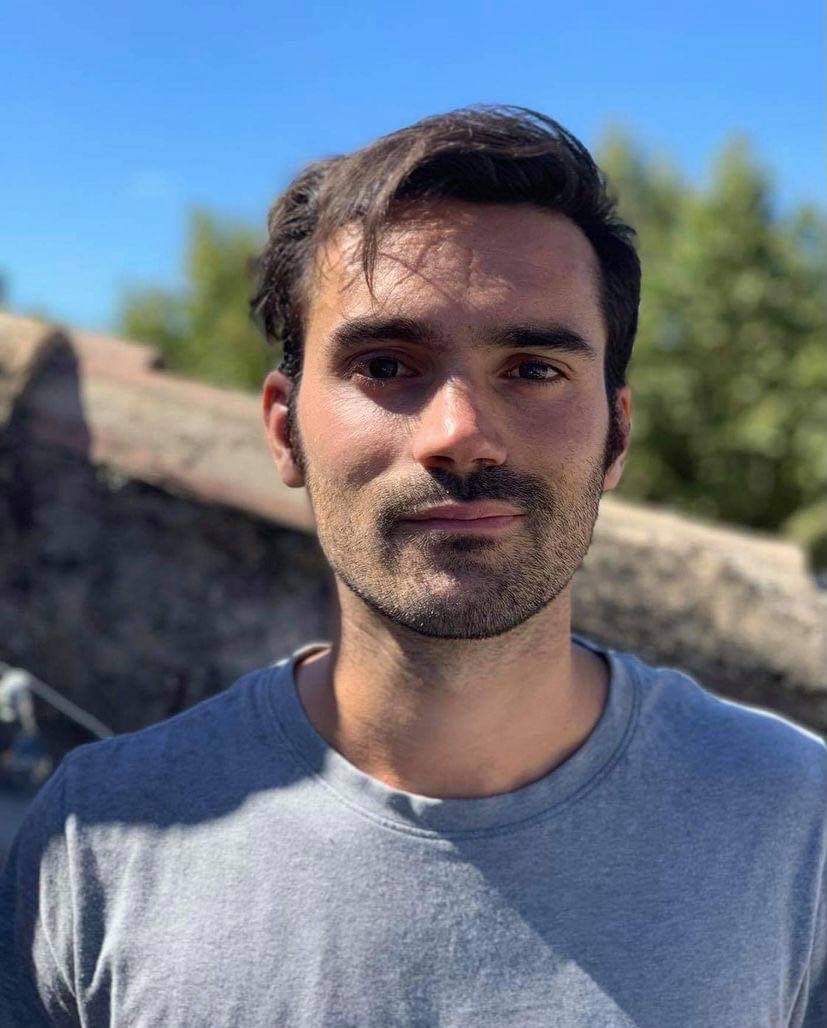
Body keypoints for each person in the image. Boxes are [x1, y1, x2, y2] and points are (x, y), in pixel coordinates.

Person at [1, 105, 824, 1027]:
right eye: (388, 365)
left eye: (534, 369)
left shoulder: (797, 824)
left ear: (617, 435)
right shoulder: (98, 839)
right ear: (284, 429)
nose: (460, 434)